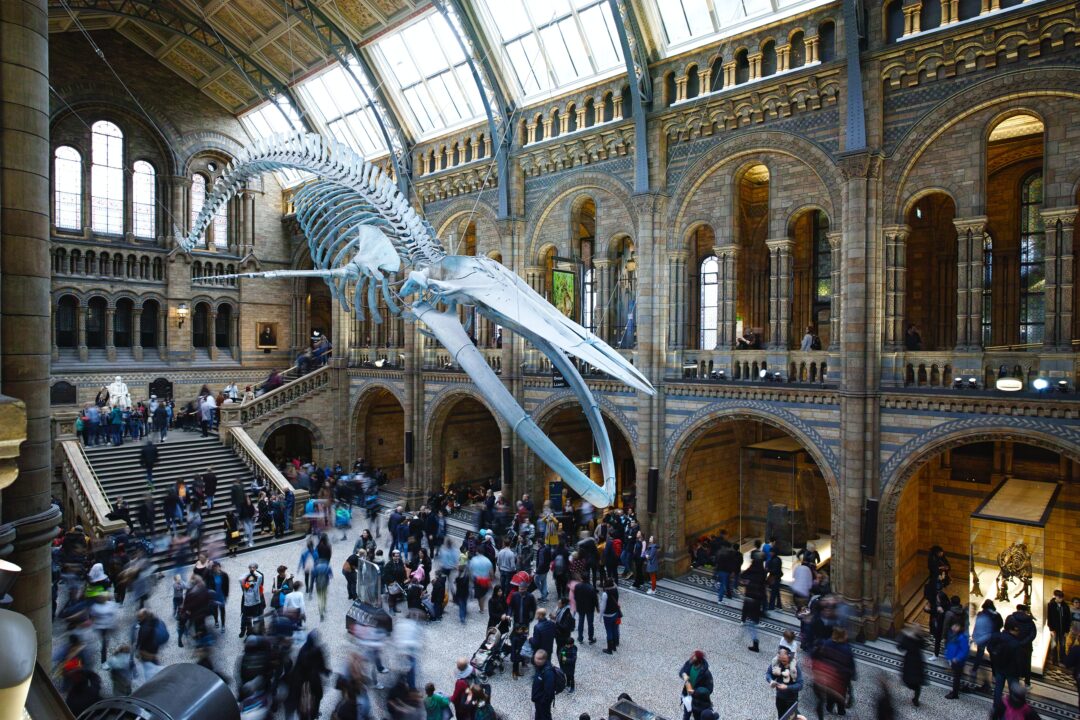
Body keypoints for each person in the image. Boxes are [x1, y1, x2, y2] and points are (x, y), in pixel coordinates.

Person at [971, 598, 1002, 687]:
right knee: (993, 657)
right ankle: (994, 675)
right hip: (993, 637)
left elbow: (977, 625)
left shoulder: (981, 614)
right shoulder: (997, 615)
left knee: (979, 654)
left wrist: (974, 634)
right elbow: (1000, 625)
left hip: (982, 636)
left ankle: (974, 669)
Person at [765, 647, 802, 719]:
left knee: (792, 717)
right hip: (780, 698)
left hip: (791, 700)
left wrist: (787, 687)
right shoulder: (777, 663)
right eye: (781, 660)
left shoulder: (795, 668)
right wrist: (771, 680)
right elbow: (768, 674)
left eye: (784, 661)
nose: (782, 662)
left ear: (790, 657)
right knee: (781, 717)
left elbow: (800, 685)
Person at [1008, 604, 1038, 685]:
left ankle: (1015, 681)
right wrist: (1023, 642)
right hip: (1026, 647)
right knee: (1027, 664)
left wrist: (1014, 641)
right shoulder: (1030, 621)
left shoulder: (1010, 618)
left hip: (1013, 645)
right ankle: (1027, 682)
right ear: (1025, 611)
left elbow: (1007, 630)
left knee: (1014, 663)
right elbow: (1033, 634)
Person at [679, 651, 714, 720]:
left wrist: (696, 692)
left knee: (697, 717)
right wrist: (683, 674)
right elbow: (682, 671)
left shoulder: (706, 673)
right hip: (687, 696)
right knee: (686, 715)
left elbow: (709, 689)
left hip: (699, 701)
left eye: (694, 657)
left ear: (698, 660)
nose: (691, 658)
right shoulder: (690, 664)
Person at [897, 625, 925, 707]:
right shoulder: (917, 638)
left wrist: (903, 636)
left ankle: (916, 698)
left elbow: (900, 647)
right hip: (916, 661)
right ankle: (916, 699)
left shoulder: (909, 638)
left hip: (911, 661)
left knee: (912, 680)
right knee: (916, 682)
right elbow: (923, 646)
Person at [944, 617, 969, 700]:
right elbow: (950, 645)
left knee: (956, 677)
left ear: (961, 627)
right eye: (953, 626)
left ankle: (955, 693)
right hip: (953, 659)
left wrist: (957, 658)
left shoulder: (962, 637)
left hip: (958, 661)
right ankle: (956, 690)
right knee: (956, 676)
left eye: (956, 626)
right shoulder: (952, 634)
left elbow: (964, 650)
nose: (954, 627)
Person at [238, 562, 265, 638]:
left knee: (255, 619)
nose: (251, 581)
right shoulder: (245, 587)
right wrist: (248, 574)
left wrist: (254, 571)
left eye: (252, 580)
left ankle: (255, 633)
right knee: (245, 619)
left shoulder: (256, 585)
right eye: (249, 580)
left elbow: (260, 577)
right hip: (247, 605)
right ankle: (245, 632)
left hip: (256, 604)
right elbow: (240, 579)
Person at [531, 649, 557, 720]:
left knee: (545, 717)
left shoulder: (548, 673)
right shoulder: (539, 665)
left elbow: (549, 692)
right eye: (535, 657)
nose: (535, 660)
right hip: (538, 701)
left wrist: (542, 701)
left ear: (544, 660)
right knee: (538, 715)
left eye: (538, 659)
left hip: (542, 703)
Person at [1048, 589, 1071, 666]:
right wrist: (1051, 629)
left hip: (1063, 630)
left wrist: (1067, 630)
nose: (1061, 599)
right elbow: (1049, 617)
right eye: (1059, 597)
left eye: (1062, 597)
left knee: (1062, 645)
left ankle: (1062, 660)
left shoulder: (1065, 606)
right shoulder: (1051, 605)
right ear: (1055, 597)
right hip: (1054, 629)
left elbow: (1068, 619)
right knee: (1054, 645)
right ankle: (1054, 660)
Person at [573, 578, 598, 645]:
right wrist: (597, 607)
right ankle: (590, 638)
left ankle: (580, 638)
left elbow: (575, 597)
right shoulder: (591, 588)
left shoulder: (577, 586)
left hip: (581, 607)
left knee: (580, 622)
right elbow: (595, 599)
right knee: (590, 624)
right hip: (590, 608)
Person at [600, 579, 621, 655]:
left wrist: (600, 617)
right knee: (615, 628)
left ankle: (609, 649)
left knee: (609, 631)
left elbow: (602, 607)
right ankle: (615, 645)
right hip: (615, 613)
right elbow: (615, 584)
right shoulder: (616, 590)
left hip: (607, 615)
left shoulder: (605, 594)